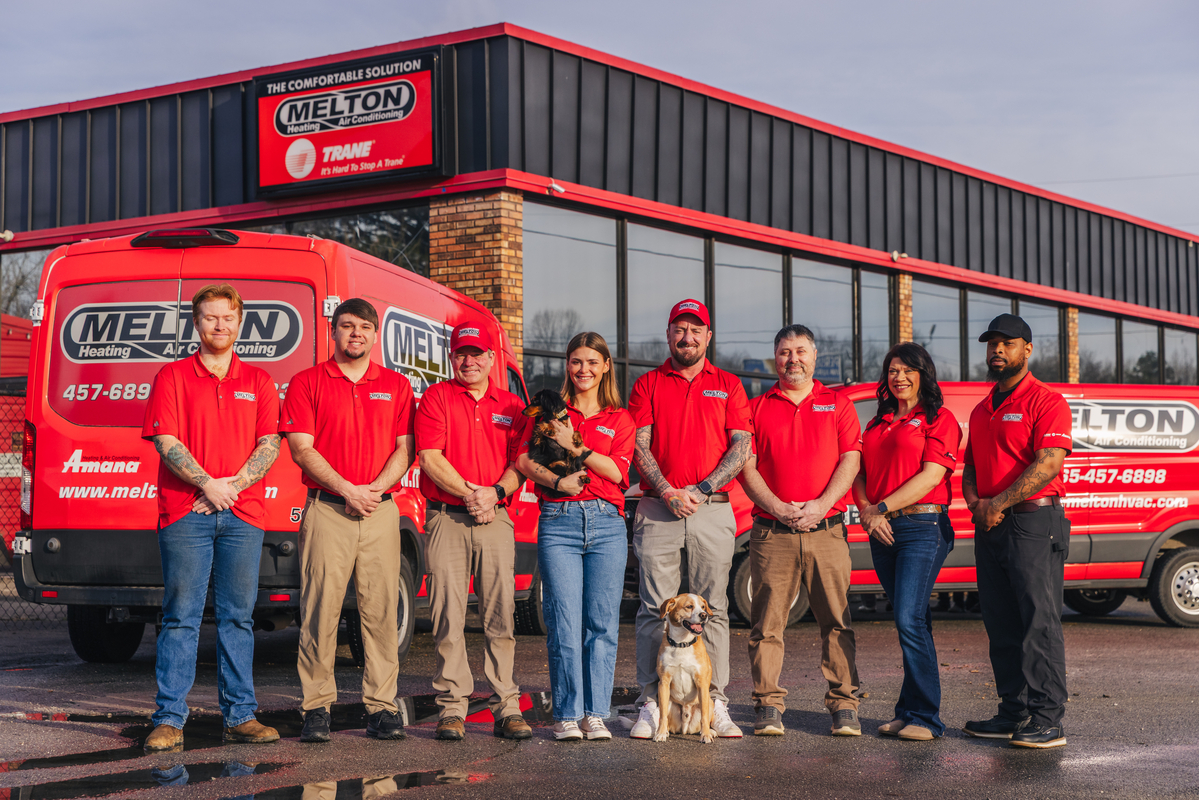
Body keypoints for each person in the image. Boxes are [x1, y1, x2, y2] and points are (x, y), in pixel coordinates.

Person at [141, 284, 281, 751]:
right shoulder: (173, 376)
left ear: (240, 323)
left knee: (238, 618)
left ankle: (241, 716)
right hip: (185, 513)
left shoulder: (259, 381)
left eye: (227, 318)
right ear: (195, 323)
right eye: (209, 317)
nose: (219, 326)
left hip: (243, 514)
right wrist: (207, 485)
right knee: (180, 617)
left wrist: (228, 489)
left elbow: (271, 445)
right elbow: (166, 441)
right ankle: (169, 720)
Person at [280, 298, 416, 743]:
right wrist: (348, 489)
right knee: (320, 611)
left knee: (379, 612)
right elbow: (301, 447)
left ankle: (380, 708)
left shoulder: (396, 385)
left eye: (363, 327)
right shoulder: (307, 381)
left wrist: (373, 490)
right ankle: (317, 708)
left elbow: (405, 448)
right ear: (333, 332)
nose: (355, 333)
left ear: (375, 335)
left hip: (380, 510)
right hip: (327, 510)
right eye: (346, 326)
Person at [628, 299, 751, 740]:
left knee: (712, 610)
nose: (687, 337)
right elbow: (640, 446)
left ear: (708, 336)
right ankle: (649, 703)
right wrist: (666, 491)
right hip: (658, 509)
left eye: (695, 329)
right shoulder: (647, 384)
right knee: (652, 608)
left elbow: (741, 447)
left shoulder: (729, 385)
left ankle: (713, 701)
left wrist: (699, 490)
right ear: (669, 335)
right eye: (680, 329)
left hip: (711, 509)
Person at [738, 324, 863, 737]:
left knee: (837, 620)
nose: (793, 359)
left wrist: (820, 507)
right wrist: (776, 506)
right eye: (785, 352)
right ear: (776, 358)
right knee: (767, 624)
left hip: (826, 529)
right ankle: (767, 705)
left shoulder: (838, 404)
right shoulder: (756, 407)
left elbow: (850, 460)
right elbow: (746, 465)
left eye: (801, 351)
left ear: (815, 355)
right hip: (772, 532)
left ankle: (844, 705)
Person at [415, 321, 533, 741]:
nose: (469, 361)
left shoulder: (513, 406)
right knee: (447, 614)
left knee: (500, 614)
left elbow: (521, 463)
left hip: (496, 516)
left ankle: (506, 706)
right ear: (453, 357)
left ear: (491, 358)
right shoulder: (436, 397)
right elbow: (429, 457)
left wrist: (495, 494)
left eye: (477, 353)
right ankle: (452, 708)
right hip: (448, 515)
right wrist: (473, 495)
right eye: (461, 353)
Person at [961, 313, 1073, 749]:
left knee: (1037, 621)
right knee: (1000, 621)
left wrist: (998, 504)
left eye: (1007, 343)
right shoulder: (982, 406)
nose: (997, 350)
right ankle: (1014, 711)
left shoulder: (1046, 401)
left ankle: (1048, 719)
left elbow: (1048, 463)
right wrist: (977, 506)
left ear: (1027, 349)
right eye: (991, 343)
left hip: (1032, 520)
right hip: (989, 522)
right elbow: (969, 467)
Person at [516, 332, 634, 741]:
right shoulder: (548, 412)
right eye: (576, 362)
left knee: (600, 625)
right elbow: (523, 460)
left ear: (605, 367)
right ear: (568, 365)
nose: (583, 369)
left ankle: (595, 713)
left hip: (607, 524)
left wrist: (575, 446)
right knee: (563, 622)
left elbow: (618, 474)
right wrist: (557, 483)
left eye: (591, 362)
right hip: (559, 520)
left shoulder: (619, 419)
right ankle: (567, 713)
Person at [852, 342, 961, 741]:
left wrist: (879, 507)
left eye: (907, 370)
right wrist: (868, 512)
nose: (899, 377)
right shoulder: (878, 423)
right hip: (882, 529)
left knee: (907, 619)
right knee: (913, 619)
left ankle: (927, 719)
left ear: (923, 374)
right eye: (892, 370)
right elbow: (859, 473)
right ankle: (908, 710)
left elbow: (931, 476)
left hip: (922, 527)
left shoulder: (940, 419)